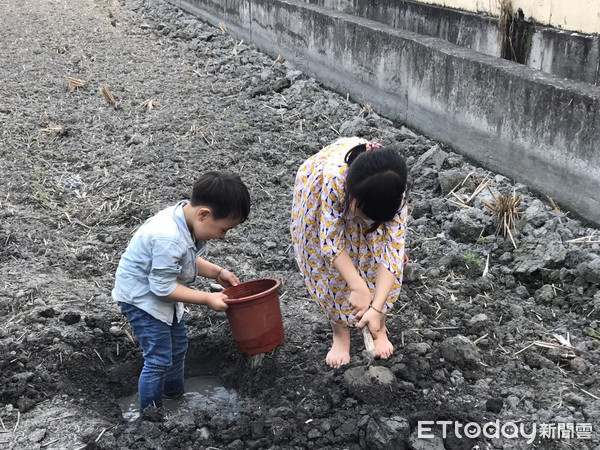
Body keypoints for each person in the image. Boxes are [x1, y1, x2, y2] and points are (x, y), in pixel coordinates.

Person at [112, 171, 251, 412]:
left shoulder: (185, 221)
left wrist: (218, 272)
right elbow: (162, 287)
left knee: (178, 347)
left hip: (160, 292)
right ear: (204, 214)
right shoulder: (168, 236)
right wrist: (208, 298)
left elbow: (184, 262)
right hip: (141, 299)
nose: (223, 237)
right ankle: (150, 417)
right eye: (223, 230)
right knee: (158, 358)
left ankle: (174, 397)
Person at [290, 137, 408, 369]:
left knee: (374, 259)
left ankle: (379, 325)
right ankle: (340, 335)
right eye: (363, 214)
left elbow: (393, 253)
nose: (366, 222)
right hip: (323, 196)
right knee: (331, 273)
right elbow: (331, 243)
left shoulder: (395, 192)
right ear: (351, 197)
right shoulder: (336, 181)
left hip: (371, 195)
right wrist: (357, 286)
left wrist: (375, 307)